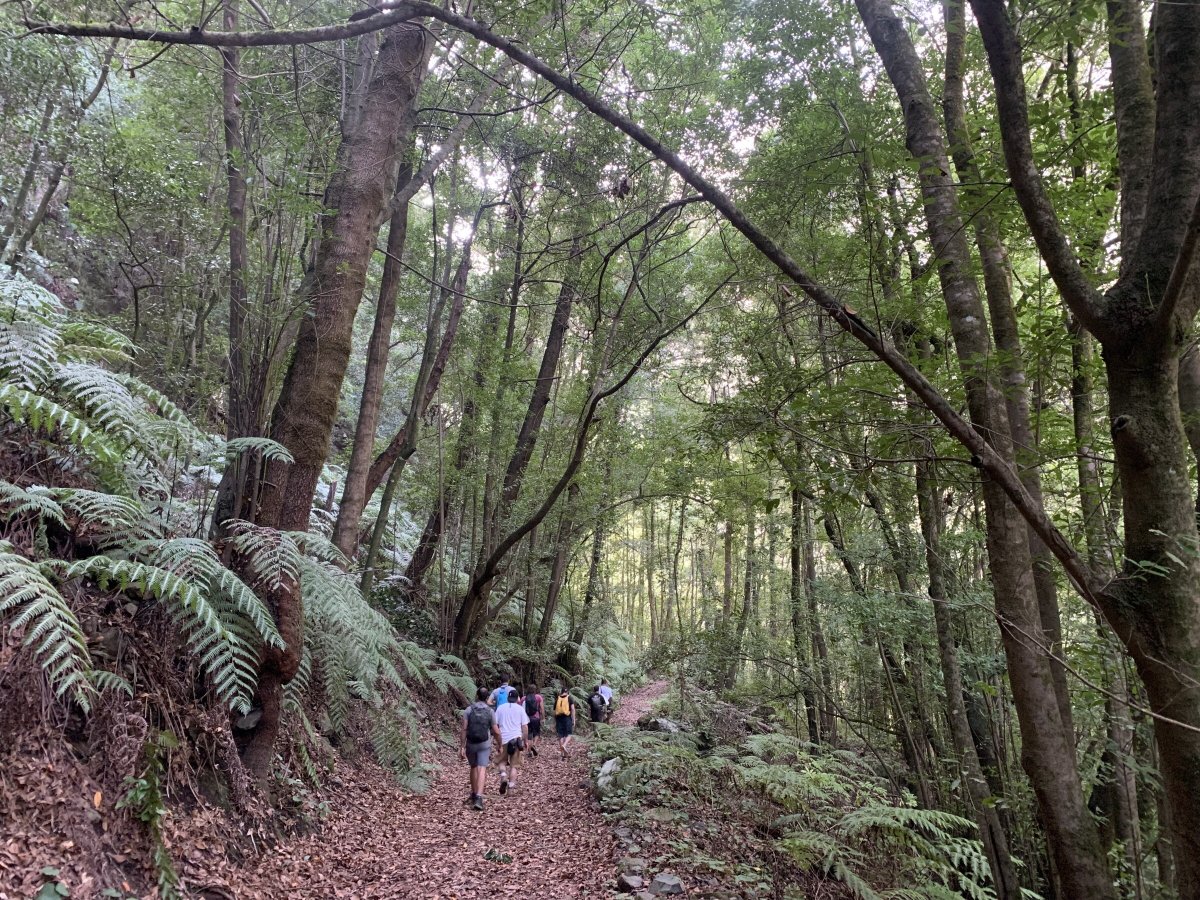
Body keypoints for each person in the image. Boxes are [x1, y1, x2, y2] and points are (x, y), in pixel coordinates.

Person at [460, 686, 501, 811]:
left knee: (473, 767)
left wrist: (462, 746)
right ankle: (479, 797)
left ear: (477, 696)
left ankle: (473, 794)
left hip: (471, 743)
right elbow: (496, 731)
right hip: (484, 743)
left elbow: (464, 729)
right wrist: (500, 744)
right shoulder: (490, 711)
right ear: (487, 697)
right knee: (482, 768)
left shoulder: (468, 710)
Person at [495, 691, 530, 794]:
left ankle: (503, 776)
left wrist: (497, 741)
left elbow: (495, 725)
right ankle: (511, 788)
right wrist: (525, 740)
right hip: (516, 739)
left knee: (501, 762)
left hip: (503, 739)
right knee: (514, 765)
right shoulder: (520, 709)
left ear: (508, 698)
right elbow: (525, 727)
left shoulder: (500, 708)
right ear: (517, 698)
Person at [553, 686, 576, 757]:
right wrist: (573, 719)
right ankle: (564, 745)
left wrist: (555, 720)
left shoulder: (557, 698)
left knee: (561, 735)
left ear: (561, 691)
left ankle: (562, 753)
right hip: (567, 718)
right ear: (567, 692)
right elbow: (572, 709)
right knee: (569, 734)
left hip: (558, 718)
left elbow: (554, 710)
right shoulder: (569, 698)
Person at [523, 684, 544, 758]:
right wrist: (543, 718)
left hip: (527, 719)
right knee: (537, 734)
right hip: (536, 718)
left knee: (529, 735)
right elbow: (542, 708)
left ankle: (529, 752)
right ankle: (534, 744)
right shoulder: (538, 697)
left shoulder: (524, 698)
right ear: (535, 690)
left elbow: (520, 708)